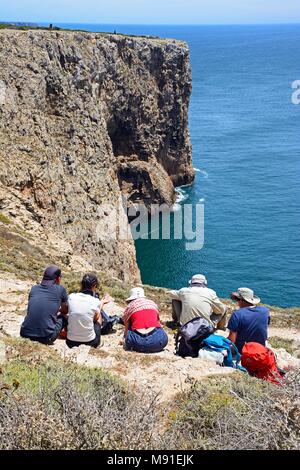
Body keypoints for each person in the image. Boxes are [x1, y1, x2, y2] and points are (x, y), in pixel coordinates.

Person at [20, 265, 68, 345]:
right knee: (64, 317)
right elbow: (65, 310)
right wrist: (57, 311)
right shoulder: (60, 289)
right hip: (46, 337)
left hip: (25, 334)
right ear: (58, 278)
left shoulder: (34, 288)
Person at [66, 273, 111, 349]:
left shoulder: (71, 297)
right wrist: (102, 303)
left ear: (81, 284)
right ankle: (97, 340)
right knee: (98, 315)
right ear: (94, 286)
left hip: (70, 342)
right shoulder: (95, 301)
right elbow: (96, 318)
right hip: (91, 342)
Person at [122, 287, 168, 353]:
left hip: (138, 343)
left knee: (130, 323)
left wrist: (124, 338)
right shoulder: (152, 303)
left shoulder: (130, 306)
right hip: (158, 342)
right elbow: (158, 321)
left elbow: (126, 324)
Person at [227, 287, 270, 353]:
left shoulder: (237, 315)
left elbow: (231, 340)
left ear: (241, 300)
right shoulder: (265, 311)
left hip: (243, 349)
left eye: (237, 299)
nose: (237, 302)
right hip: (260, 347)